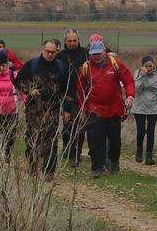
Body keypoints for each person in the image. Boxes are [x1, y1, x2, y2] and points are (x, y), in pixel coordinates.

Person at [75, 35, 134, 177]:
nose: (96, 57)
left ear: (104, 51)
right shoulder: (85, 68)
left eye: (98, 54)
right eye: (93, 54)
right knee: (95, 140)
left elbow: (129, 80)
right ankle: (97, 167)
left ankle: (114, 162)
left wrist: (130, 96)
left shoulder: (115, 63)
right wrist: (82, 110)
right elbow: (80, 91)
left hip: (114, 108)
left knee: (114, 140)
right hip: (94, 109)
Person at [16, 38, 73, 180]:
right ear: (43, 50)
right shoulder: (32, 65)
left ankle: (49, 171)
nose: (50, 54)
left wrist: (66, 109)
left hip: (52, 110)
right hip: (33, 110)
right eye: (47, 51)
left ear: (56, 52)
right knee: (32, 140)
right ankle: (32, 167)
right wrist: (29, 90)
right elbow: (18, 81)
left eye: (53, 52)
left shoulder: (61, 67)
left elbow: (68, 91)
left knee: (51, 141)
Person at [57, 28, 88, 167]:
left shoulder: (86, 54)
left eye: (74, 40)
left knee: (80, 127)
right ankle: (67, 149)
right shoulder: (59, 57)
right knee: (67, 127)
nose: (72, 43)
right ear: (65, 41)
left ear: (78, 40)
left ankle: (76, 155)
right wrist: (63, 107)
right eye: (69, 41)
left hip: (82, 96)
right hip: (66, 96)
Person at [132, 54, 157, 165]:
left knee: (151, 132)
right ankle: (139, 150)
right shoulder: (138, 73)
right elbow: (136, 89)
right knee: (141, 131)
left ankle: (149, 156)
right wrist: (142, 75)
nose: (149, 68)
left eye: (151, 66)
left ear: (154, 65)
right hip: (139, 106)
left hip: (153, 107)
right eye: (147, 66)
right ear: (143, 66)